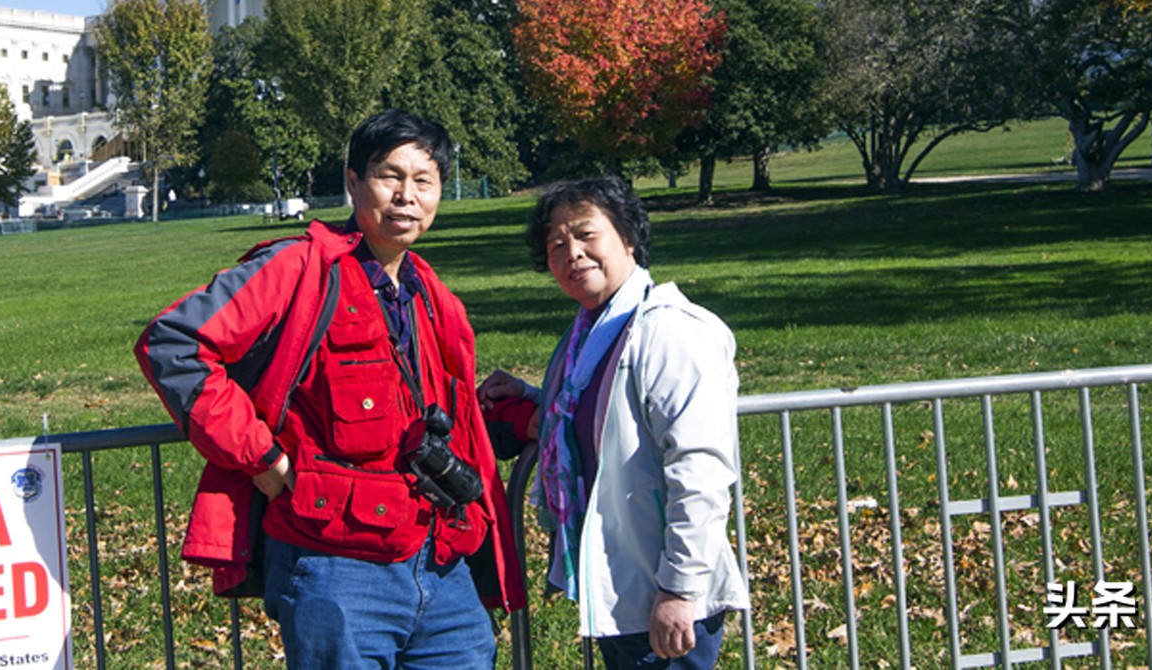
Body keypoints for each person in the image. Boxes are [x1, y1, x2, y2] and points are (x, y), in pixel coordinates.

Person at [136, 110, 523, 669]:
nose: (406, 195)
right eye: (390, 176)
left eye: (424, 180)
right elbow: (173, 343)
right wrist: (261, 458)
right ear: (352, 182)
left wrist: (526, 417)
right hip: (335, 569)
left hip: (440, 567)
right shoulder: (298, 269)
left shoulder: (432, 295)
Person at [479, 176, 745, 670]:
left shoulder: (670, 332)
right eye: (556, 244)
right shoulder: (591, 335)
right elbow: (604, 419)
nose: (572, 252)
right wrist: (534, 398)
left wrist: (679, 590)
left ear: (627, 237)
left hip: (663, 595)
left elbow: (700, 471)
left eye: (585, 234)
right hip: (625, 591)